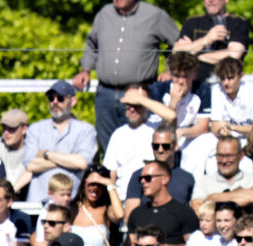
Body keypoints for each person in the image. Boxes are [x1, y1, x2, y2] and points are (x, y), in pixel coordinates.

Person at [73, 0, 180, 149]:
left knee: (141, 145)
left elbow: (177, 43)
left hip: (139, 94)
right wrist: (85, 70)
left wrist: (171, 70)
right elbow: (92, 44)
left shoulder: (154, 15)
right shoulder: (104, 14)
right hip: (105, 94)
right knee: (108, 146)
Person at [21, 81, 98, 204]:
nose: (55, 102)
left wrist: (47, 155)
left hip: (70, 204)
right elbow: (30, 165)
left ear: (73, 101)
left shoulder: (86, 129)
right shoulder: (35, 128)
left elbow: (83, 163)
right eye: (51, 98)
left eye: (60, 98)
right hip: (37, 203)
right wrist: (69, 160)